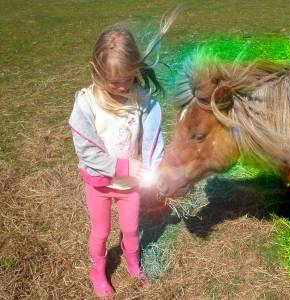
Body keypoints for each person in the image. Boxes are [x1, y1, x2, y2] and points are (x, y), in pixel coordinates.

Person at [68, 12, 177, 296]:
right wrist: (126, 166)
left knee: (130, 229)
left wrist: (151, 168)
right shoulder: (86, 104)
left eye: (127, 79)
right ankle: (98, 272)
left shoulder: (140, 99)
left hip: (130, 187)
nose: (121, 87)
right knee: (101, 232)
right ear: (97, 71)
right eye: (114, 81)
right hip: (100, 184)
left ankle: (133, 264)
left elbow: (153, 133)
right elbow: (88, 152)